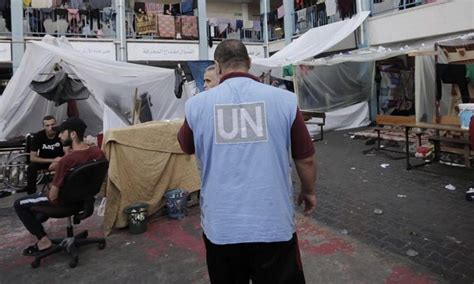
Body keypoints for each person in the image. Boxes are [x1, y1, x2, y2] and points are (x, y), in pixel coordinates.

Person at [178, 39, 316, 283]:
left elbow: (185, 146)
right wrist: (309, 191)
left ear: (218, 67)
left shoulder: (196, 106)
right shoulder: (284, 100)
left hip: (222, 226)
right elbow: (305, 159)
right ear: (249, 64)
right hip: (272, 223)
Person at [14, 117, 105, 256]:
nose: (59, 135)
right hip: (84, 200)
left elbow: (53, 196)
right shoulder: (97, 152)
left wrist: (51, 186)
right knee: (37, 204)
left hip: (63, 202)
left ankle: (43, 240)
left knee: (19, 203)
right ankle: (40, 220)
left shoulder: (66, 161)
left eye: (62, 132)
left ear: (73, 134)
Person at [23, 115, 64, 195]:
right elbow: (33, 157)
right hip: (45, 161)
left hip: (61, 161)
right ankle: (31, 194)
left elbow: (69, 152)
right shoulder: (38, 136)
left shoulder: (61, 134)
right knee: (31, 167)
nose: (50, 128)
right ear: (43, 127)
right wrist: (53, 160)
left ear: (56, 125)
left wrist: (59, 161)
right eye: (47, 125)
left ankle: (62, 192)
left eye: (52, 125)